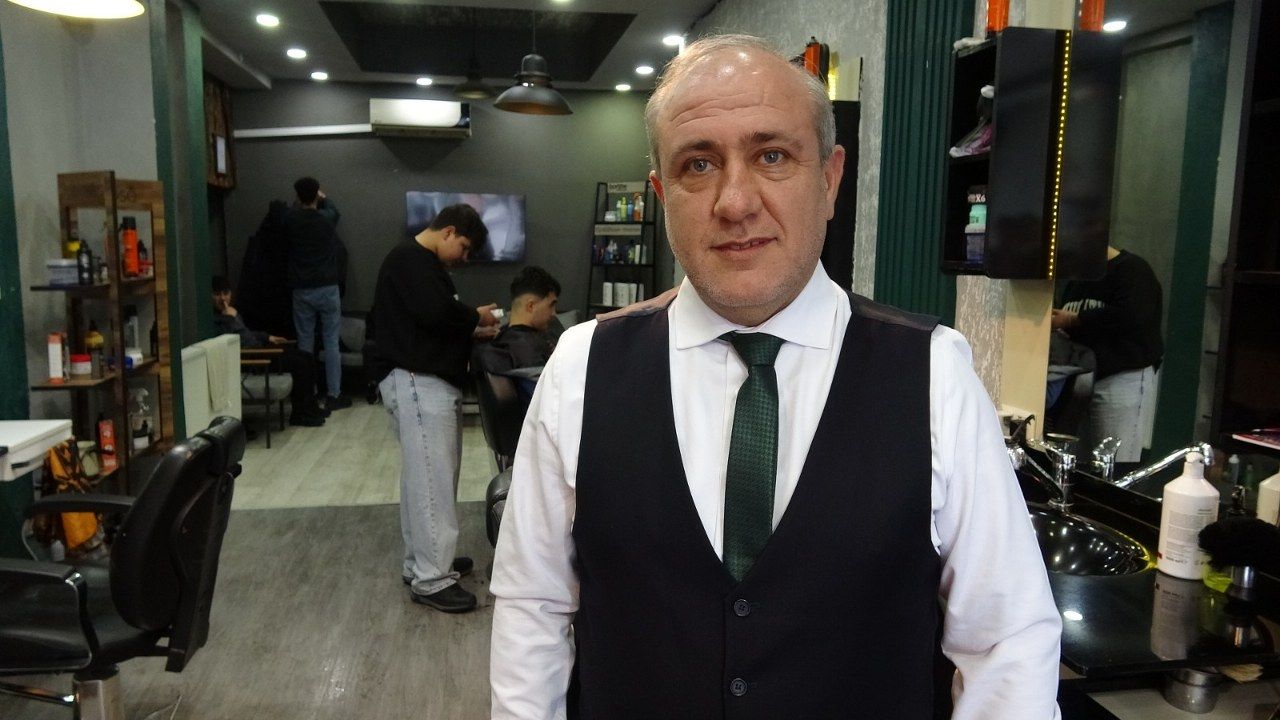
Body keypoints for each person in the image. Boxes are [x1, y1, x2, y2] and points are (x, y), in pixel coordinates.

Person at [490, 34, 1062, 719]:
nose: (735, 202)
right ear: (662, 194)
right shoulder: (582, 368)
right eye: (699, 164)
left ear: (830, 178)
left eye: (771, 156)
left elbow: (1005, 641)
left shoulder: (934, 374)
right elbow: (532, 610)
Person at [371, 204, 500, 614]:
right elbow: (436, 313)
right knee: (433, 479)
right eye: (464, 247)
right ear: (448, 232)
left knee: (422, 477)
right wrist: (474, 316)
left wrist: (470, 331)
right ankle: (432, 578)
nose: (464, 258)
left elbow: (430, 323)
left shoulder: (419, 264)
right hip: (418, 380)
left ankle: (422, 563)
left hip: (420, 379)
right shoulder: (411, 260)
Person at [1053, 245, 1164, 463]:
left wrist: (1075, 319)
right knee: (1079, 466)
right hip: (1082, 383)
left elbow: (1132, 316)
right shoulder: (1079, 280)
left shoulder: (1133, 270)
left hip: (1122, 377)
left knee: (1114, 464)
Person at [211, 276, 328, 427]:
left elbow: (248, 333)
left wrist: (267, 337)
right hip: (251, 360)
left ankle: (310, 408)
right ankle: (300, 414)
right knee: (299, 364)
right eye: (217, 294)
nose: (222, 298)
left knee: (307, 357)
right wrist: (232, 319)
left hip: (259, 350)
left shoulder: (230, 313)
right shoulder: (217, 319)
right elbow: (241, 341)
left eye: (225, 293)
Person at [285, 176, 350, 411]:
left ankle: (308, 394)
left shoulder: (291, 219)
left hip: (302, 289)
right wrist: (323, 198)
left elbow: (287, 213)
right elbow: (334, 211)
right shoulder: (326, 218)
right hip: (327, 287)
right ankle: (334, 394)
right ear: (316, 195)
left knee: (305, 343)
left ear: (297, 196)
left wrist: (299, 202)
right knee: (331, 342)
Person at [475, 266, 561, 375]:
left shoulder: (504, 341)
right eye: (551, 305)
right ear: (531, 306)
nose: (554, 313)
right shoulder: (525, 349)